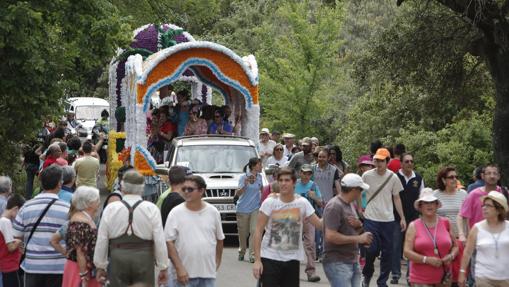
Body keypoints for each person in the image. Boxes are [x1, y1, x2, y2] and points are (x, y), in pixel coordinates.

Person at [94, 170, 169, 287]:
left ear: (122, 187)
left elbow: (102, 239)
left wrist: (100, 266)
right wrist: (163, 266)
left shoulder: (111, 209)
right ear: (142, 188)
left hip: (118, 257)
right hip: (144, 259)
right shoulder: (151, 209)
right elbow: (159, 240)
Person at [252, 168, 323, 286]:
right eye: (280, 180)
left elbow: (319, 225)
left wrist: (333, 209)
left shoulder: (302, 203)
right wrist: (257, 261)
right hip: (270, 258)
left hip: (292, 260)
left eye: (287, 180)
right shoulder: (269, 203)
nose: (283, 183)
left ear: (294, 182)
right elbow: (258, 231)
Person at [13, 165, 70, 287]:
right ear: (59, 184)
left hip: (32, 266)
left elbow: (17, 237)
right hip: (58, 267)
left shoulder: (26, 207)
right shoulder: (67, 209)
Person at [165, 175, 225, 287]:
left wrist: (216, 264)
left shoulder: (213, 212)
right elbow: (169, 241)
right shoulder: (175, 213)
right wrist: (179, 268)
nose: (186, 192)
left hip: (208, 277)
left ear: (202, 191)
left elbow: (219, 240)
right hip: (183, 276)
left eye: (190, 189)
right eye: (184, 189)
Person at [361, 148, 406, 287]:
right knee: (371, 249)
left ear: (387, 161)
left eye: (382, 160)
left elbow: (397, 198)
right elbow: (358, 193)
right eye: (376, 160)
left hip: (388, 219)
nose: (379, 163)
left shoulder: (393, 177)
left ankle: (382, 282)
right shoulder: (367, 175)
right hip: (370, 218)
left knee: (387, 253)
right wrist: (359, 209)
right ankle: (367, 274)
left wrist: (402, 217)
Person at [322, 173, 373, 287]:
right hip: (337, 261)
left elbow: (352, 229)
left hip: (352, 259)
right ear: (354, 190)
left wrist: (359, 227)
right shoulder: (334, 206)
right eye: (360, 190)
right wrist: (359, 238)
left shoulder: (349, 205)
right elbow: (330, 236)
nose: (361, 193)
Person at [404, 188, 458, 287]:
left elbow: (455, 246)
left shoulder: (446, 222)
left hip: (444, 278)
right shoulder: (413, 225)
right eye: (425, 202)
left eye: (432, 202)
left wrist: (451, 256)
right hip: (420, 279)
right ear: (420, 207)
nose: (429, 205)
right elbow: (407, 252)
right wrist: (426, 259)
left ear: (437, 205)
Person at [458, 191, 509, 287]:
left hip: (506, 277)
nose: (484, 208)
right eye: (483, 205)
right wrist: (462, 272)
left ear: (499, 210)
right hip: (484, 278)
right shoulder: (477, 228)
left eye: (488, 206)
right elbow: (467, 252)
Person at [391, 153, 424, 284]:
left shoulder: (419, 178)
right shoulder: (395, 177)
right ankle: (395, 274)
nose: (409, 163)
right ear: (401, 163)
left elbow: (422, 197)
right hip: (395, 217)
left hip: (414, 218)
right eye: (407, 161)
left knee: (412, 247)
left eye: (411, 161)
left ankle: (411, 275)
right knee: (396, 246)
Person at [433, 166, 468, 284]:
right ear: (443, 180)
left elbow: (467, 217)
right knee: (442, 275)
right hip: (441, 241)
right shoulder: (435, 195)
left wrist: (467, 238)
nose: (454, 179)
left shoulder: (463, 194)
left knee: (458, 275)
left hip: (459, 239)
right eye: (451, 177)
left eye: (456, 177)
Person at [62, 186, 101, 287]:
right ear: (89, 204)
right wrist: (83, 274)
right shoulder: (81, 223)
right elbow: (80, 251)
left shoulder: (82, 219)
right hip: (79, 269)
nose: (99, 202)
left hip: (78, 267)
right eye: (97, 199)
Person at [458, 164, 503, 241]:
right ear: (483, 176)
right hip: (478, 239)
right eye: (488, 173)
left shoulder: (504, 193)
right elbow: (461, 215)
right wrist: (461, 234)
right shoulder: (474, 195)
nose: (492, 176)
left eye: (495, 173)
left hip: (500, 239)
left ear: (498, 176)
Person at [295, 164, 323, 282]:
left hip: (309, 218)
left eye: (308, 173)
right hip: (294, 218)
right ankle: (291, 271)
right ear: (300, 173)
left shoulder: (313, 185)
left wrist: (314, 197)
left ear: (311, 175)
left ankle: (311, 272)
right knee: (292, 245)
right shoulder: (294, 184)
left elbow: (321, 202)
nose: (306, 176)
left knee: (310, 244)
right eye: (304, 173)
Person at [235, 158, 263, 263]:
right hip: (242, 208)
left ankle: (252, 255)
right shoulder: (243, 177)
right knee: (243, 233)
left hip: (255, 208)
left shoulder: (260, 177)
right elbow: (238, 193)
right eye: (260, 165)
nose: (261, 167)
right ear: (253, 166)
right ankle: (242, 251)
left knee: (254, 231)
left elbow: (261, 190)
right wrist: (245, 185)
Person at [0, 194, 25, 287]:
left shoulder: (4, 221)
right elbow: (10, 247)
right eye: (20, 212)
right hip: (8, 266)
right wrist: (19, 242)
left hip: (9, 265)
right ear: (15, 209)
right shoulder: (5, 222)